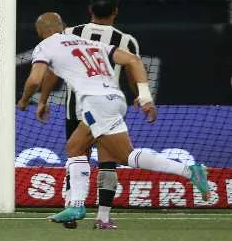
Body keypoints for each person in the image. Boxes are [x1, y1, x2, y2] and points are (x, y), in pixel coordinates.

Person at [18, 12, 210, 227]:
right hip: (115, 100)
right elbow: (133, 60)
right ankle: (77, 205)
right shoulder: (88, 43)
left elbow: (35, 80)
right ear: (64, 26)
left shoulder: (45, 46)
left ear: (39, 32)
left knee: (125, 155)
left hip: (95, 103)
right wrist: (145, 97)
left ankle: (189, 171)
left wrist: (25, 101)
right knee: (74, 147)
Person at [38, 0, 141, 229]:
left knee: (76, 157)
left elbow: (53, 71)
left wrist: (43, 99)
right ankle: (103, 217)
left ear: (90, 10)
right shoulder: (125, 40)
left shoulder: (70, 33)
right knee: (108, 164)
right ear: (115, 11)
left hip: (76, 109)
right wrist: (139, 97)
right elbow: (132, 73)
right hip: (107, 110)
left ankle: (71, 210)